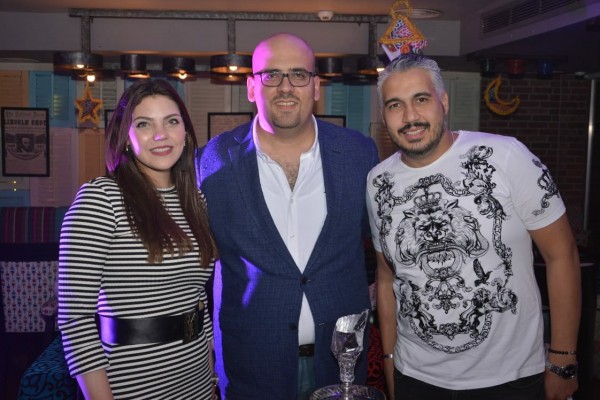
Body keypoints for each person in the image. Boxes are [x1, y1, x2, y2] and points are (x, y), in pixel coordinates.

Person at [366, 53, 582, 400]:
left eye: (421, 99)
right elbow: (387, 277)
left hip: (508, 379)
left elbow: (562, 255)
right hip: (415, 377)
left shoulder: (506, 156)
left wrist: (563, 358)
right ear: (383, 115)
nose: (409, 117)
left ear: (444, 102)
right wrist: (390, 361)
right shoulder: (378, 182)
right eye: (395, 105)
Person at [196, 32, 380, 399]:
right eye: (271, 75)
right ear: (252, 87)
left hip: (341, 364)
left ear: (316, 87)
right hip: (251, 365)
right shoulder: (211, 162)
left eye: (298, 74)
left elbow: (382, 246)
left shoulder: (359, 154)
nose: (285, 86)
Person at [58, 79, 217, 399]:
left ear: (186, 133)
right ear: (126, 138)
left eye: (172, 121)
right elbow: (75, 319)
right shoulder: (101, 199)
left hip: (196, 377)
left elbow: (196, 296)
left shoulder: (195, 200)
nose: (161, 134)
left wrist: (212, 379)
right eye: (144, 124)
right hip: (131, 382)